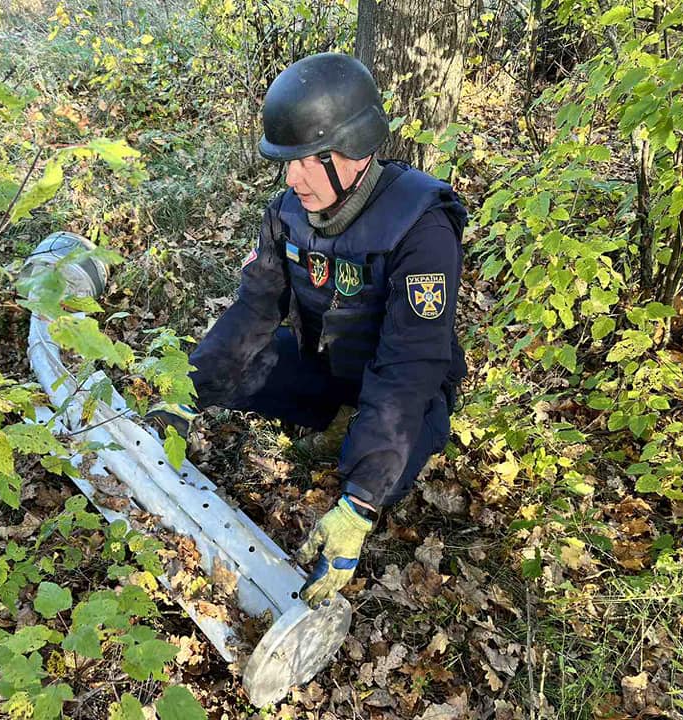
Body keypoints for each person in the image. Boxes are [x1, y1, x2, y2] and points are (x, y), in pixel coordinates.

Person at [147, 53, 467, 607]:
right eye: (286, 162)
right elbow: (252, 310)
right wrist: (187, 392)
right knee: (242, 366)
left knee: (398, 450)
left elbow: (409, 368)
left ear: (355, 148)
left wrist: (360, 500)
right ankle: (332, 418)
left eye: (308, 160)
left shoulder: (422, 226)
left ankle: (362, 454)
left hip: (405, 390)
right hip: (327, 365)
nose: (292, 178)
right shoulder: (287, 213)